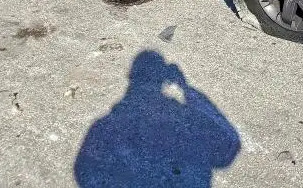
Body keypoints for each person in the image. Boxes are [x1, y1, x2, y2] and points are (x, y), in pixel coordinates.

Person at [74, 51, 241, 187]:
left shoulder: (103, 125)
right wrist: (186, 88)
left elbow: (83, 172)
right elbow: (227, 150)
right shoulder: (106, 125)